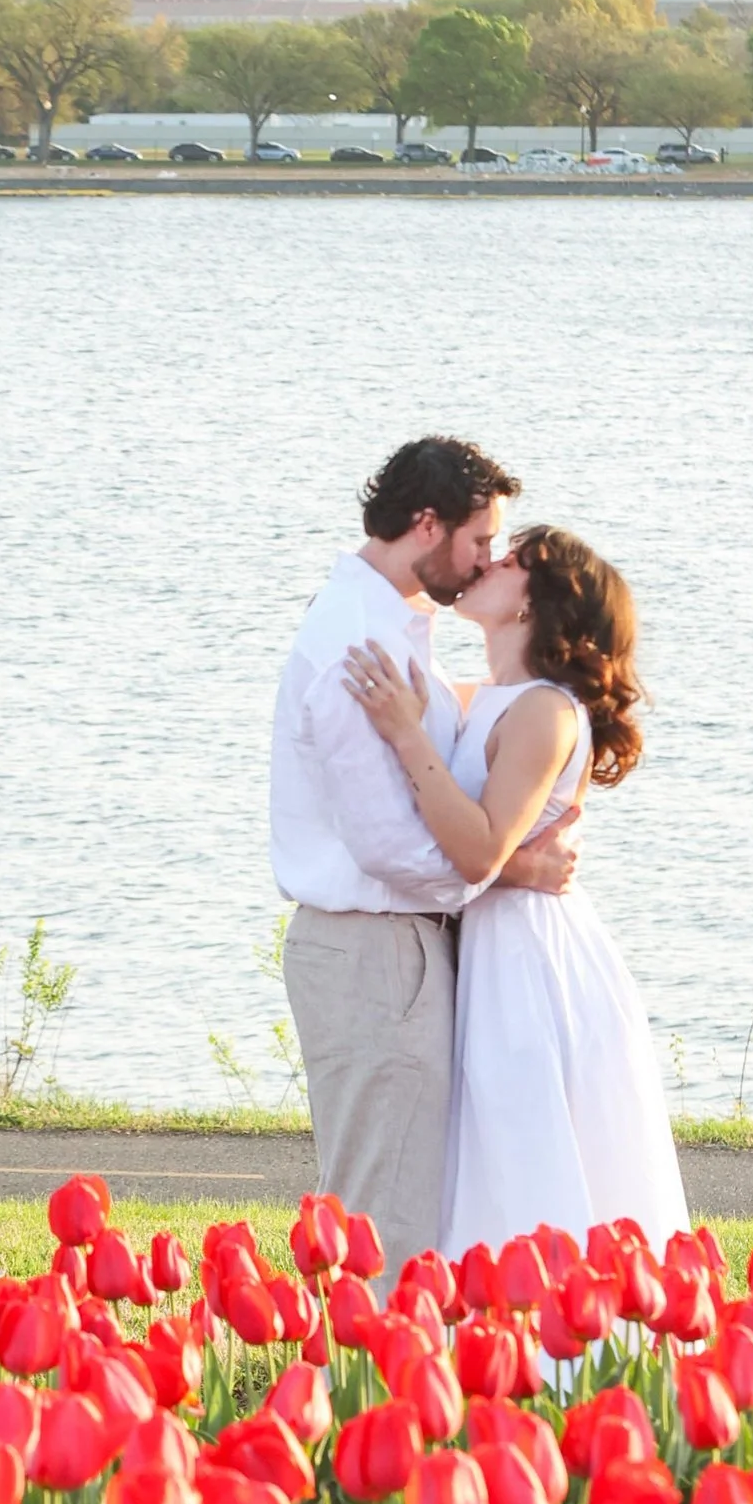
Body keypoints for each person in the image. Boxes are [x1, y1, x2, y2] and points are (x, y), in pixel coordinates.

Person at [270, 438, 577, 1281]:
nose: (485, 559)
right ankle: (367, 1368)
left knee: (400, 1203)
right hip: (376, 949)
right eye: (481, 540)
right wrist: (509, 870)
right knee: (386, 1216)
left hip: (390, 949)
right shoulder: (359, 643)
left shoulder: (390, 624)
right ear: (429, 524)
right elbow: (387, 846)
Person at [341, 519, 687, 1255]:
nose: (490, 563)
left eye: (513, 560)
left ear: (537, 601)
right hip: (494, 944)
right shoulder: (492, 697)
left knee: (522, 1152)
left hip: (530, 960)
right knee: (490, 1155)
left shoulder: (544, 711)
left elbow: (478, 850)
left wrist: (406, 734)